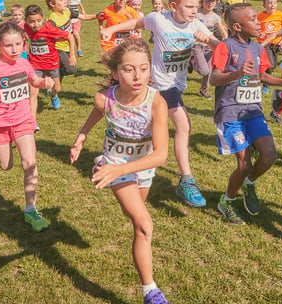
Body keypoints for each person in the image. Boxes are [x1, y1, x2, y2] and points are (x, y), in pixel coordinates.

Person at [70, 38, 170, 304]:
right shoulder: (105, 98)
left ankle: (144, 266)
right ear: (115, 73)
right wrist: (82, 135)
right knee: (145, 224)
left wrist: (123, 168)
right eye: (128, 69)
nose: (138, 76)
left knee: (139, 227)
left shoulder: (156, 102)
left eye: (144, 68)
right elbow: (98, 111)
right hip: (113, 165)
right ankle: (151, 291)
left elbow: (160, 155)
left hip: (143, 167)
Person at [100, 0, 220, 208]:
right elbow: (136, 24)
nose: (194, 11)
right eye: (189, 6)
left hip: (176, 86)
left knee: (149, 129)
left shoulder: (196, 25)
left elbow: (219, 47)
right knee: (183, 125)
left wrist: (209, 42)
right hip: (158, 85)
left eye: (196, 7)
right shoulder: (159, 19)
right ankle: (186, 180)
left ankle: (125, 161)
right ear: (174, 6)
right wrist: (111, 28)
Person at [210, 3, 282, 224]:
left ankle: (249, 183)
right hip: (230, 112)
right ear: (237, 26)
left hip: (253, 111)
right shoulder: (225, 47)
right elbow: (214, 78)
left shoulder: (257, 48)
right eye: (253, 19)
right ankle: (226, 201)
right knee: (243, 164)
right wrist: (235, 74)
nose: (259, 22)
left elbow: (263, 76)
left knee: (269, 155)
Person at [0, 22, 54, 232]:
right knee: (5, 166)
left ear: (24, 44)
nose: (14, 49)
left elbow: (33, 80)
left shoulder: (24, 63)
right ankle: (7, 148)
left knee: (30, 163)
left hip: (23, 120)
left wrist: (44, 83)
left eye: (18, 44)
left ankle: (30, 209)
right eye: (8, 45)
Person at [24, 4, 75, 117]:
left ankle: (53, 95)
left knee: (57, 88)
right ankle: (32, 121)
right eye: (32, 21)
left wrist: (72, 55)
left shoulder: (49, 29)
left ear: (43, 18)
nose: (35, 24)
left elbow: (70, 36)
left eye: (38, 20)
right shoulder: (26, 27)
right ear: (26, 21)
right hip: (34, 64)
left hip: (51, 64)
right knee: (33, 92)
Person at [46, 0, 96, 91]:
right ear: (52, 4)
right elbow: (47, 36)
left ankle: (53, 81)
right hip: (57, 48)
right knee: (70, 70)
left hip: (67, 46)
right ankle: (51, 75)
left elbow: (83, 16)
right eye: (61, 0)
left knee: (62, 73)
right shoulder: (52, 20)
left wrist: (96, 16)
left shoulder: (67, 11)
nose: (65, 1)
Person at [192, 0, 228, 98]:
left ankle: (203, 89)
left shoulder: (216, 17)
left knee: (209, 71)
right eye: (207, 1)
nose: (210, 4)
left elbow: (224, 33)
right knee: (204, 71)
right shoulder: (196, 13)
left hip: (209, 47)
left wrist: (225, 42)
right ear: (202, 2)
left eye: (212, 2)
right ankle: (192, 61)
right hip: (197, 45)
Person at [257, 0, 282, 95]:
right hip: (264, 43)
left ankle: (265, 80)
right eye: (270, 3)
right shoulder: (259, 16)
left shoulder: (281, 15)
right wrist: (259, 33)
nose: (272, 5)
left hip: (276, 44)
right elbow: (255, 28)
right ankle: (265, 84)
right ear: (264, 5)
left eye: (274, 3)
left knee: (273, 65)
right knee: (270, 64)